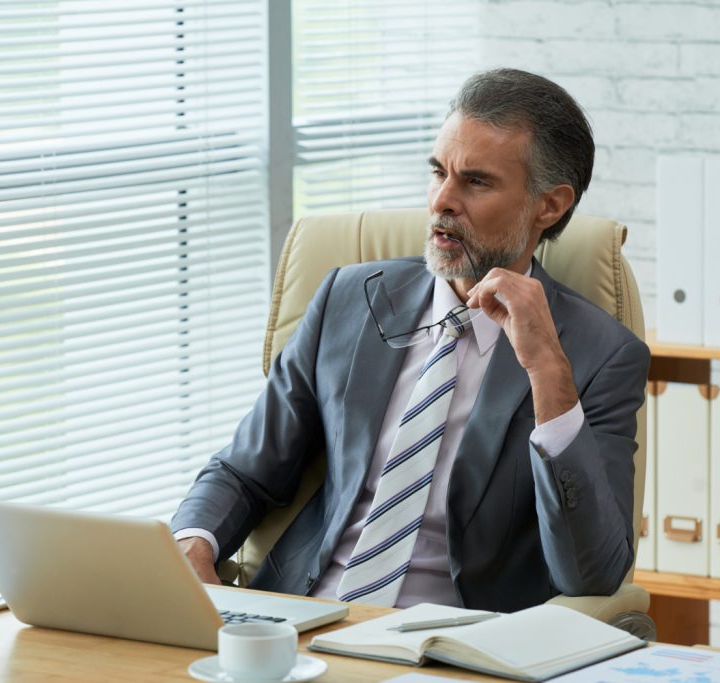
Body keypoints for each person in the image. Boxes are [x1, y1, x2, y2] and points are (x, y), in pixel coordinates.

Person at [170, 68, 650, 612]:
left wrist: (547, 373)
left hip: (453, 637)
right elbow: (245, 468)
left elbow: (592, 571)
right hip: (300, 617)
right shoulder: (347, 299)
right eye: (438, 172)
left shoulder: (599, 355)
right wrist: (192, 543)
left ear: (550, 205)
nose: (442, 200)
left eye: (476, 181)